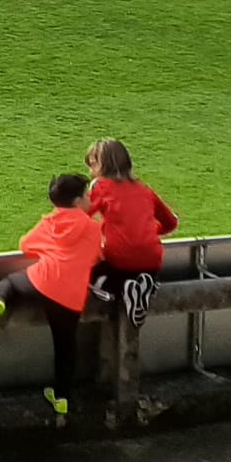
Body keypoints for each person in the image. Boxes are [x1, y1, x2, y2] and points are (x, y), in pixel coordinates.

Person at [0, 175, 103, 418]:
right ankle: (62, 398)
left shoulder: (50, 222)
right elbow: (95, 256)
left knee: (12, 281)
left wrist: (48, 248)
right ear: (79, 200)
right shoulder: (91, 227)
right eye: (88, 195)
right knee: (65, 346)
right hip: (70, 296)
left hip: (42, 282)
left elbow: (26, 245)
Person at [86, 138, 178, 329]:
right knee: (143, 271)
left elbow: (82, 217)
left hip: (120, 258)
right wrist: (149, 233)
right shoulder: (145, 190)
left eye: (93, 164)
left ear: (103, 165)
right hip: (151, 259)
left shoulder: (100, 187)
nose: (91, 170)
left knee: (94, 276)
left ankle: (123, 287)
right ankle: (146, 285)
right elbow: (171, 223)